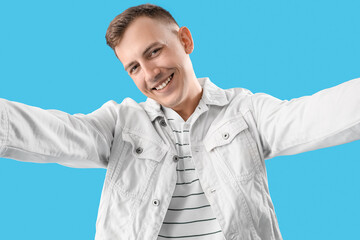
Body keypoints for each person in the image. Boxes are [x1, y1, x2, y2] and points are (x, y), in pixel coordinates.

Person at [0, 3, 359, 240]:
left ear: (185, 40)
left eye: (154, 51)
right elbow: (48, 133)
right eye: (134, 67)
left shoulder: (245, 112)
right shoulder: (120, 124)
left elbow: (318, 115)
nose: (150, 73)